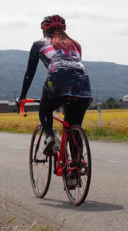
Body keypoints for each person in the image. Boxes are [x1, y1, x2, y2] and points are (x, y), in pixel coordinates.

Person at [17, 15, 92, 155]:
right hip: (83, 82)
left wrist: (22, 96)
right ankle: (76, 170)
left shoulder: (39, 44)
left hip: (57, 78)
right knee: (74, 128)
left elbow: (30, 73)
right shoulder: (75, 44)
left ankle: (50, 136)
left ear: (44, 31)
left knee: (45, 109)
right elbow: (73, 67)